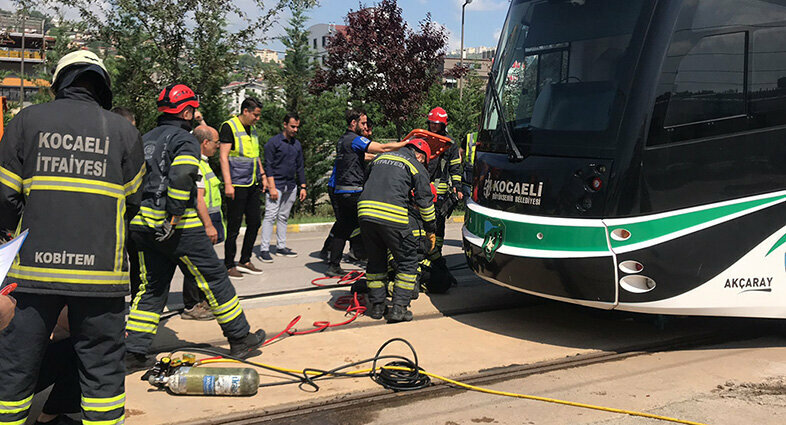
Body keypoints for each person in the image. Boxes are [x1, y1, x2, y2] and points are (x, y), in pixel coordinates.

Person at [0, 50, 144, 425]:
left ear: (59, 82)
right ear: (102, 86)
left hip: (34, 276)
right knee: (103, 373)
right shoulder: (124, 131)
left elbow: (4, 196)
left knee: (16, 368)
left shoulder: (26, 121)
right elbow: (134, 201)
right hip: (101, 279)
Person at [126, 84, 265, 371]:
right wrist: (174, 215)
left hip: (141, 226)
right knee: (214, 278)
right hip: (177, 228)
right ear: (186, 111)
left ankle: (133, 351)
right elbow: (182, 175)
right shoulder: (185, 139)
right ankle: (240, 338)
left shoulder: (145, 139)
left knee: (151, 288)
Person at [359, 139, 436, 322]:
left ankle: (377, 307)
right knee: (408, 261)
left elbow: (367, 183)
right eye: (424, 160)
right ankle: (399, 309)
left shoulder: (380, 158)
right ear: (420, 155)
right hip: (392, 214)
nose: (423, 163)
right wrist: (430, 228)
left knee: (376, 261)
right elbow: (425, 201)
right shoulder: (415, 165)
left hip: (365, 213)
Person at [324, 109, 408, 277]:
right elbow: (382, 148)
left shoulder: (343, 140)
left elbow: (365, 157)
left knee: (343, 228)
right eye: (362, 123)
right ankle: (381, 262)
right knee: (375, 221)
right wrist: (405, 143)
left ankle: (333, 265)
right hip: (353, 191)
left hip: (341, 192)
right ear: (353, 123)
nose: (365, 127)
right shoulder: (355, 139)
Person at [180, 125, 224, 321]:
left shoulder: (204, 163)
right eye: (216, 143)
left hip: (206, 220)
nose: (218, 146)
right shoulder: (197, 164)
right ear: (205, 143)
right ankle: (192, 305)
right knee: (196, 266)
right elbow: (199, 199)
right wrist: (208, 225)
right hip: (199, 223)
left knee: (203, 266)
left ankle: (202, 301)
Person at [220, 98, 266, 279]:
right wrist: (228, 183)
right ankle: (229, 264)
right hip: (237, 184)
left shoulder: (252, 130)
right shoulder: (229, 127)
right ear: (245, 111)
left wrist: (263, 176)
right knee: (233, 225)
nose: (257, 119)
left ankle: (245, 260)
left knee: (255, 221)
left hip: (252, 183)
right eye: (255, 115)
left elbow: (255, 156)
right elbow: (223, 157)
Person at [258, 113, 306, 262]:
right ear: (284, 125)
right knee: (270, 216)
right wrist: (271, 187)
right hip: (276, 185)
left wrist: (303, 186)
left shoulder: (296, 144)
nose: (295, 130)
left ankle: (281, 247)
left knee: (284, 217)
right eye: (292, 126)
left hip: (291, 186)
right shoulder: (273, 143)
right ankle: (264, 249)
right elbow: (269, 166)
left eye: (297, 127)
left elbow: (300, 167)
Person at [424, 107, 461, 282]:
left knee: (438, 228)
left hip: (440, 193)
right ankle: (426, 257)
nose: (433, 126)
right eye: (431, 123)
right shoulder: (423, 139)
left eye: (437, 124)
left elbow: (455, 168)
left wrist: (458, 187)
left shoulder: (450, 144)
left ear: (443, 125)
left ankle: (435, 258)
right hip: (422, 189)